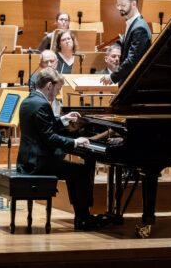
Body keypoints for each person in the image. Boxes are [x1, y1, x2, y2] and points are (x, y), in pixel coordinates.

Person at [17, 67, 101, 230]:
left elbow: (43, 126)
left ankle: (81, 216)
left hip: (27, 159)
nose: (58, 93)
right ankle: (83, 217)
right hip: (39, 163)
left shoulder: (29, 100)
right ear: (49, 85)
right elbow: (50, 138)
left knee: (74, 172)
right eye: (58, 89)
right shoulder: (42, 105)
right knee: (81, 172)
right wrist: (76, 142)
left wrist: (62, 119)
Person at [101, 0, 151, 85]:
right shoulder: (133, 23)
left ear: (134, 4)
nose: (119, 8)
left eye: (123, 5)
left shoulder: (139, 28)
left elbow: (132, 60)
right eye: (118, 5)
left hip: (134, 83)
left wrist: (113, 77)